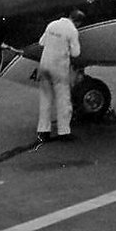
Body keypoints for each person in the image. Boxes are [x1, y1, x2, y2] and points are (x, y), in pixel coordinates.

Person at [35, 9, 84, 141]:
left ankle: (43, 131)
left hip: (44, 65)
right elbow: (76, 53)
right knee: (63, 99)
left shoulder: (52, 25)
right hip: (59, 67)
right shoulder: (72, 31)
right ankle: (64, 131)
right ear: (78, 22)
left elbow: (41, 42)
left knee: (45, 99)